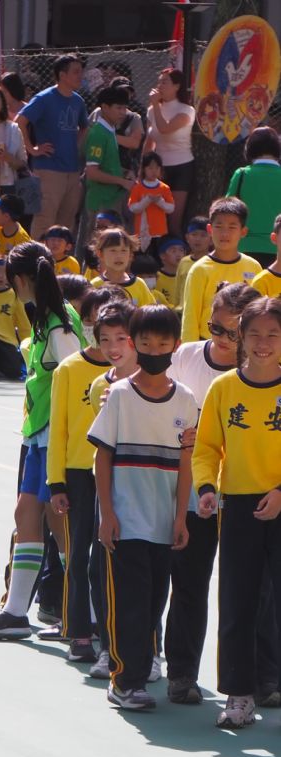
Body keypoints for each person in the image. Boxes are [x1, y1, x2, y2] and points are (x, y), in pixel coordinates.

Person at [0, 242, 85, 639]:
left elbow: (78, 378)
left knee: (60, 523)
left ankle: (84, 613)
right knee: (27, 515)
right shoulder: (45, 318)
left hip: (56, 437)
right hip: (39, 434)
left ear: (19, 280)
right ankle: (16, 612)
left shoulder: (59, 324)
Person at [87, 304, 196, 711]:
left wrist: (180, 517)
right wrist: (107, 514)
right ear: (134, 344)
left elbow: (185, 464)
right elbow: (102, 458)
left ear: (175, 346)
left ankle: (139, 669)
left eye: (162, 343)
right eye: (146, 343)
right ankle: (124, 681)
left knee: (153, 603)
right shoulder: (118, 395)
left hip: (163, 524)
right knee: (129, 604)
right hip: (126, 522)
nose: (154, 350)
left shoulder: (185, 399)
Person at [164, 281, 257, 702]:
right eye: (215, 328)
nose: (221, 340)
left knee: (252, 592)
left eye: (233, 333)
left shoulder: (264, 372)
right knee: (188, 581)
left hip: (245, 491)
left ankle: (258, 680)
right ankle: (181, 673)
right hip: (193, 490)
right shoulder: (185, 358)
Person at [194, 295, 281, 728]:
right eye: (255, 334)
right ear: (241, 338)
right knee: (237, 602)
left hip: (279, 499)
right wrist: (206, 487)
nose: (263, 343)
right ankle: (239, 695)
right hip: (239, 505)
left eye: (273, 334)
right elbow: (206, 448)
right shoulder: (224, 388)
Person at [47, 298, 131, 664]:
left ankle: (110, 635)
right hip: (79, 474)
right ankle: (79, 631)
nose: (110, 344)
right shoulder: (70, 369)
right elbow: (59, 428)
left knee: (107, 561)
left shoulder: (137, 375)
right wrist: (56, 482)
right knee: (78, 555)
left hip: (119, 474)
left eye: (119, 336)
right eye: (102, 332)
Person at [17, 54, 88, 235]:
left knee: (67, 222)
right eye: (76, 72)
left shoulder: (78, 101)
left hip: (72, 170)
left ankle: (62, 254)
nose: (80, 76)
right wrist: (31, 149)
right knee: (44, 219)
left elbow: (84, 127)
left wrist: (75, 145)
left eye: (81, 71)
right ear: (62, 75)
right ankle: (38, 252)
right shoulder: (44, 98)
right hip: (48, 169)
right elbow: (20, 121)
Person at [182, 198, 261, 343]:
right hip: (209, 344)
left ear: (243, 231)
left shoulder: (253, 266)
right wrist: (189, 349)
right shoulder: (200, 269)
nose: (225, 233)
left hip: (242, 344)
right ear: (210, 229)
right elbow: (190, 316)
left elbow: (259, 311)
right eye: (219, 226)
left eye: (232, 227)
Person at [81, 86, 133, 250]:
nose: (123, 112)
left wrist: (125, 173)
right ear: (104, 107)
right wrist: (122, 181)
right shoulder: (98, 133)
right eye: (118, 108)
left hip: (111, 199)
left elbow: (107, 166)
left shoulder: (110, 131)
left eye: (125, 108)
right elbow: (92, 172)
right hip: (100, 201)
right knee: (97, 248)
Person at [145, 68, 195, 228]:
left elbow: (164, 129)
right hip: (158, 168)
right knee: (154, 215)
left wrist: (155, 105)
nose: (159, 86)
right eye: (159, 82)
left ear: (177, 86)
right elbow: (149, 141)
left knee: (174, 218)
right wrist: (142, 168)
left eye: (165, 82)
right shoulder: (152, 110)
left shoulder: (186, 110)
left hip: (181, 167)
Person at [227, 127, 281, 268]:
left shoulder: (242, 174)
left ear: (248, 148)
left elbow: (227, 210)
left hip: (245, 248)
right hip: (278, 249)